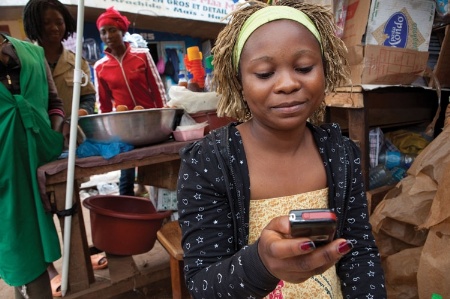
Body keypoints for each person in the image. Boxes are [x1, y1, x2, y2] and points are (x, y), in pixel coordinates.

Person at [176, 1, 387, 298]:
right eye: (264, 73)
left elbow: (359, 253)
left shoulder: (340, 153)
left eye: (303, 68)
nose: (287, 83)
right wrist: (262, 263)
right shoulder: (210, 162)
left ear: (325, 71)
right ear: (240, 82)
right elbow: (202, 285)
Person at [22, 1, 107, 296]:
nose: (55, 28)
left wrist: (78, 114)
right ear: (34, 24)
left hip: (66, 143)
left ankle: (79, 257)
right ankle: (48, 269)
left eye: (59, 22)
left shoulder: (76, 61)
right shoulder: (24, 58)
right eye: (47, 23)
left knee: (67, 199)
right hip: (31, 144)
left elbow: (87, 98)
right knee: (37, 206)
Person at [0, 33, 65, 299]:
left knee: (42, 232)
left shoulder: (31, 53)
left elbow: (54, 102)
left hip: (42, 155)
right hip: (6, 168)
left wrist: (54, 133)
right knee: (18, 241)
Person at [93, 6, 167, 196]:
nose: (108, 35)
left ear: (122, 31)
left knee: (157, 163)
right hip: (124, 124)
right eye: (103, 32)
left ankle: (161, 205)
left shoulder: (141, 55)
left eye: (112, 30)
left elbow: (157, 88)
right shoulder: (100, 67)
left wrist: (164, 114)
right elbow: (103, 103)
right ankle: (126, 203)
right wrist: (108, 132)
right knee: (126, 166)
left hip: (150, 118)